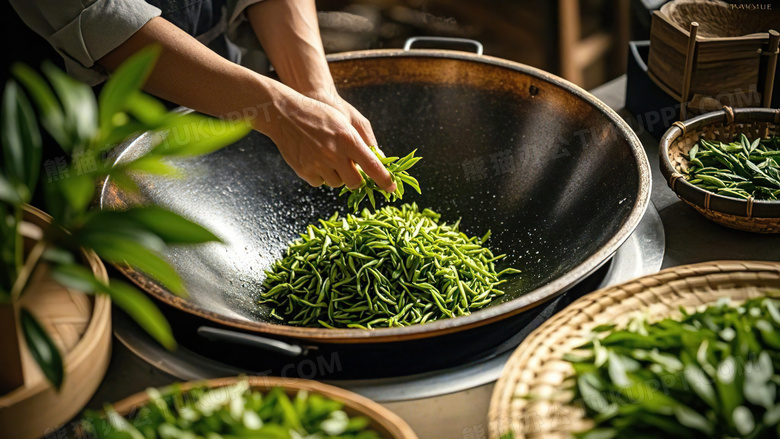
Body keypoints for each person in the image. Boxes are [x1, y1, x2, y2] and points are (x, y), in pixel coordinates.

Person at [9, 0, 395, 193]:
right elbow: (101, 16)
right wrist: (278, 110)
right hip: (74, 132)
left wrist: (315, 91)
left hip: (219, 100)